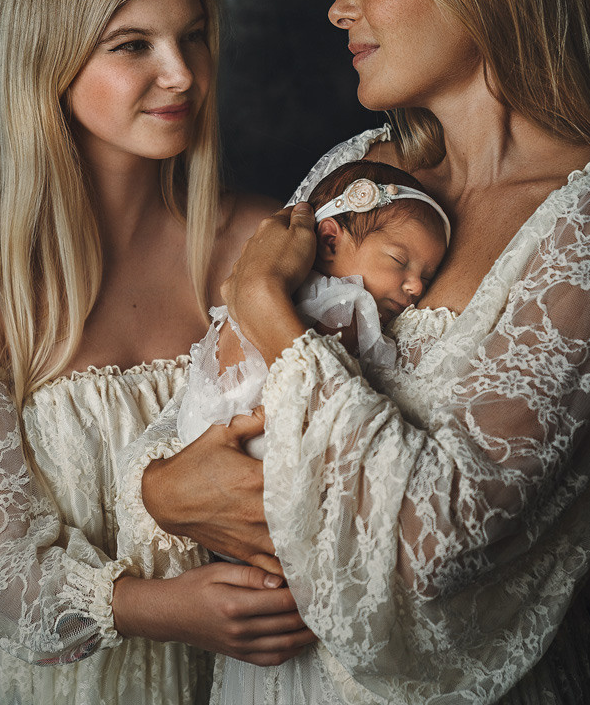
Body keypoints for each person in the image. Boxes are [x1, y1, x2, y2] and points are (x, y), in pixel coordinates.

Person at [136, 0, 590, 704]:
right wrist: (162, 490)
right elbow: (210, 395)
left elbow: (434, 544)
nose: (341, 6)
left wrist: (274, 311)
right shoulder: (361, 168)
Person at [0, 0, 314, 705]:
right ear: (48, 62)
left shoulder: (258, 243)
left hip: (244, 677)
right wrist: (165, 609)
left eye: (194, 35)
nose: (181, 73)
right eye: (133, 45)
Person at [119, 159, 449, 703]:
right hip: (255, 440)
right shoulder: (341, 307)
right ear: (327, 240)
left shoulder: (291, 287)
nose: (414, 287)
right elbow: (331, 392)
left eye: (428, 277)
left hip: (211, 431)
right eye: (399, 262)